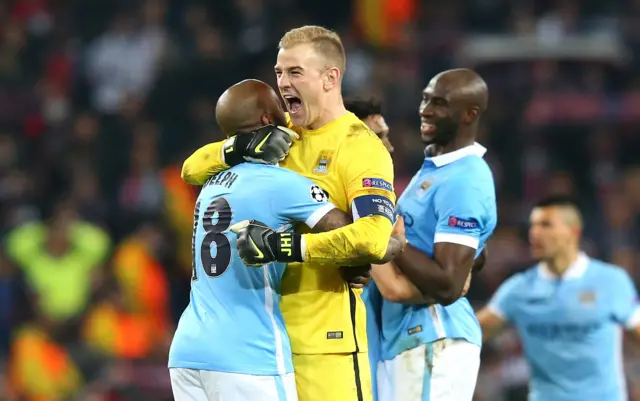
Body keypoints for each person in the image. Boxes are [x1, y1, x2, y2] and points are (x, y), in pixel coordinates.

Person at [180, 26, 397, 401]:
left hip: (325, 346)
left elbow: (374, 237)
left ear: (330, 77)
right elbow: (191, 169)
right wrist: (234, 149)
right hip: (263, 347)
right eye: (279, 72)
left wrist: (288, 246)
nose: (282, 83)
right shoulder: (278, 139)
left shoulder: (360, 147)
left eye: (295, 72)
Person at [370, 68, 497, 401]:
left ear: (470, 114)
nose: (425, 110)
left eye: (439, 103)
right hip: (409, 338)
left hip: (433, 336)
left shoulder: (465, 178)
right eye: (425, 99)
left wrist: (390, 243)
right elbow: (474, 256)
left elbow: (449, 284)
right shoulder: (437, 170)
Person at [476, 196, 640, 401]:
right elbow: (472, 332)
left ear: (573, 232)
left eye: (546, 225)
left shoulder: (611, 281)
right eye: (533, 225)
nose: (534, 233)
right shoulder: (520, 289)